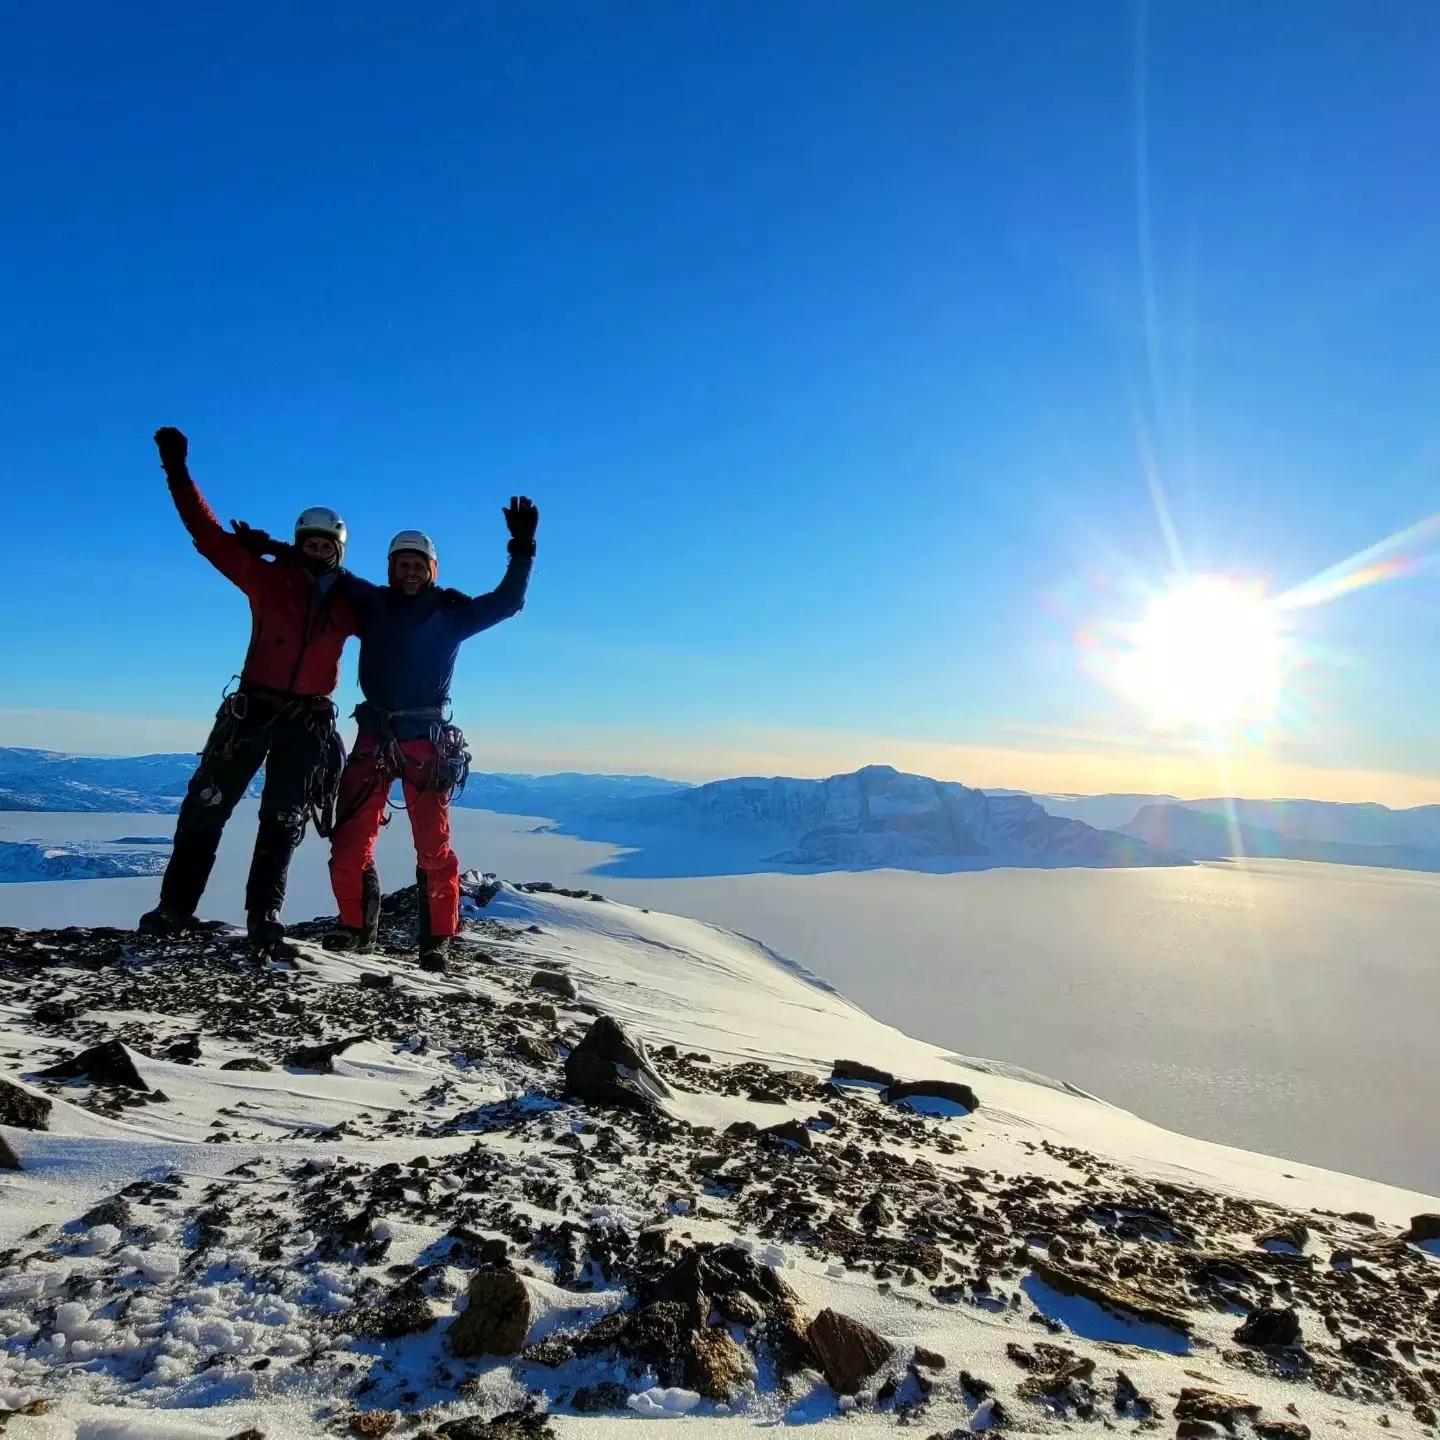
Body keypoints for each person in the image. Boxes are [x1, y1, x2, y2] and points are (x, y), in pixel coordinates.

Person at [139, 427, 359, 952]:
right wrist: (177, 469)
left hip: (306, 724)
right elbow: (206, 532)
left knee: (282, 823)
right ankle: (175, 909)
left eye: (326, 545)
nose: (317, 550)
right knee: (205, 810)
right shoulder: (266, 578)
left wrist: (443, 601)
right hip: (251, 712)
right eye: (309, 542)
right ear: (300, 542)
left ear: (339, 551)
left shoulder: (354, 600)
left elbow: (403, 616)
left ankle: (265, 915)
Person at [324, 498, 537, 971]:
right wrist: (280, 547)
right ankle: (355, 928)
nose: (410, 573)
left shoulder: (450, 613)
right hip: (378, 732)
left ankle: (436, 940)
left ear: (431, 569)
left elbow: (508, 602)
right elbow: (325, 568)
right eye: (403, 565)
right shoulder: (372, 602)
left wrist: (522, 549)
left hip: (422, 737)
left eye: (418, 566)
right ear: (391, 568)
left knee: (432, 845)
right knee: (351, 834)